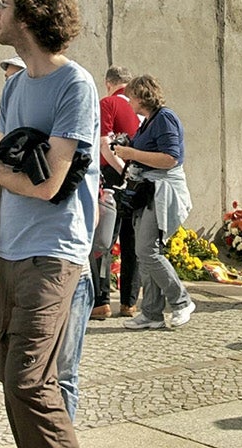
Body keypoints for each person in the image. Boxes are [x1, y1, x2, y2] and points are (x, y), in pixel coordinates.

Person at [0, 0, 101, 448]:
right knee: (10, 373)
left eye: (3, 5)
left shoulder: (75, 85)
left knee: (28, 378)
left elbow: (49, 184)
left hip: (54, 251)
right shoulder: (15, 86)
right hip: (9, 252)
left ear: (26, 17)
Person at [108, 75, 196, 329]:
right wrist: (128, 145)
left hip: (161, 191)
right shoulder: (150, 121)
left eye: (131, 97)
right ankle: (152, 313)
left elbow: (171, 158)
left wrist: (131, 153)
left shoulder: (165, 118)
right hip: (147, 190)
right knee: (144, 252)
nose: (128, 102)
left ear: (142, 96)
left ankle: (181, 301)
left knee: (147, 250)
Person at [91, 66, 141, 321]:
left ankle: (101, 302)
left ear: (108, 83)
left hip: (111, 175)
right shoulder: (140, 109)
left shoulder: (107, 103)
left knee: (104, 240)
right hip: (139, 179)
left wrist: (120, 171)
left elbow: (104, 142)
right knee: (132, 239)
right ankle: (129, 302)